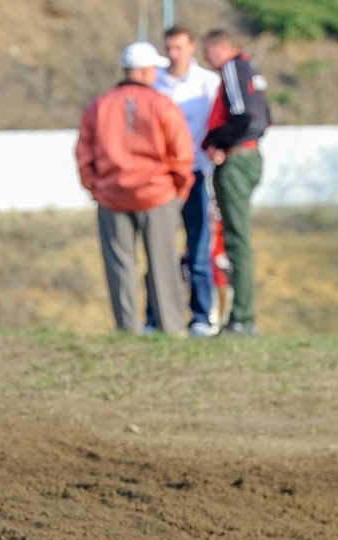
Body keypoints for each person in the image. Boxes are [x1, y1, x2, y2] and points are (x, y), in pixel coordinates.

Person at [75, 42, 194, 334]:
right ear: (145, 71)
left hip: (112, 195)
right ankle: (171, 327)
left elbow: (84, 153)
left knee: (120, 265)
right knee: (163, 264)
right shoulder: (162, 104)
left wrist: (96, 188)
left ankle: (127, 329)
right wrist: (179, 190)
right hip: (157, 194)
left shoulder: (100, 105)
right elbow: (181, 153)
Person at [153, 26, 221, 336]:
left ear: (191, 47)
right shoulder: (155, 81)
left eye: (179, 47)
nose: (173, 54)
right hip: (163, 177)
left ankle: (201, 317)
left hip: (197, 173)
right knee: (159, 249)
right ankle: (156, 316)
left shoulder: (208, 82)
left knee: (199, 250)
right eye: (169, 48)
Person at [201, 28, 270, 336]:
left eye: (207, 50)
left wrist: (216, 141)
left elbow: (243, 117)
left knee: (237, 240)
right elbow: (264, 118)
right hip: (249, 156)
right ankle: (241, 316)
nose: (206, 58)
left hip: (237, 160)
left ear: (220, 46)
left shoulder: (232, 67)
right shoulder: (249, 67)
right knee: (237, 237)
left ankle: (242, 317)